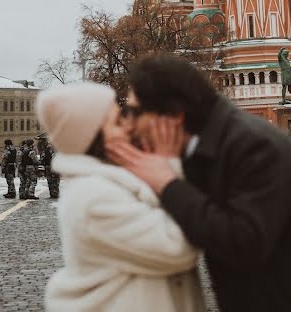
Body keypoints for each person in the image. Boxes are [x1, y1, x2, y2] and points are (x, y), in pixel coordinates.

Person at [107, 54, 291, 312]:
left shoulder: (255, 146)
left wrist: (168, 183)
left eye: (135, 112)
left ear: (173, 115)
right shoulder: (208, 144)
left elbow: (244, 242)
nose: (130, 125)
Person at [36, 82, 203, 312]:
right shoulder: (94, 197)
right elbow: (177, 247)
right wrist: (168, 172)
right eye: (117, 121)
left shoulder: (112, 181)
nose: (128, 126)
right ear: (91, 138)